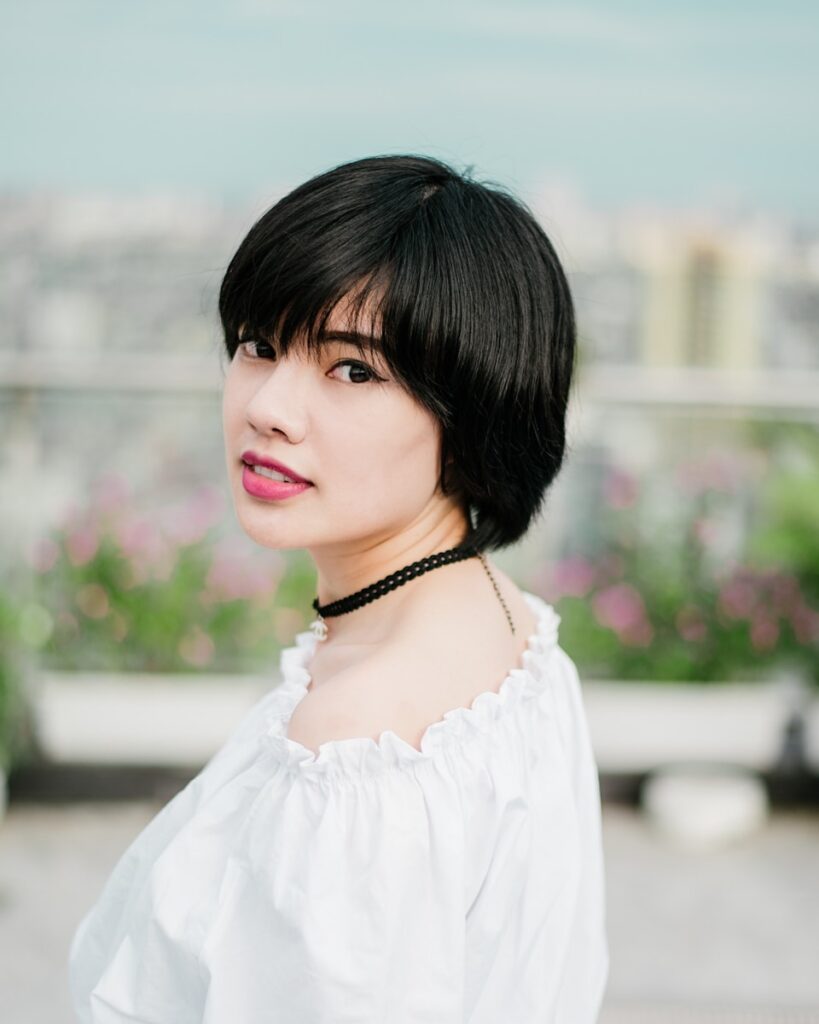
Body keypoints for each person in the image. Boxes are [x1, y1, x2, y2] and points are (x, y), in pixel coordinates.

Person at [68, 154, 609, 1022]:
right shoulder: (508, 628)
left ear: (473, 409)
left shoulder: (360, 747)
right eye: (259, 344)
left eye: (353, 370)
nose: (270, 407)